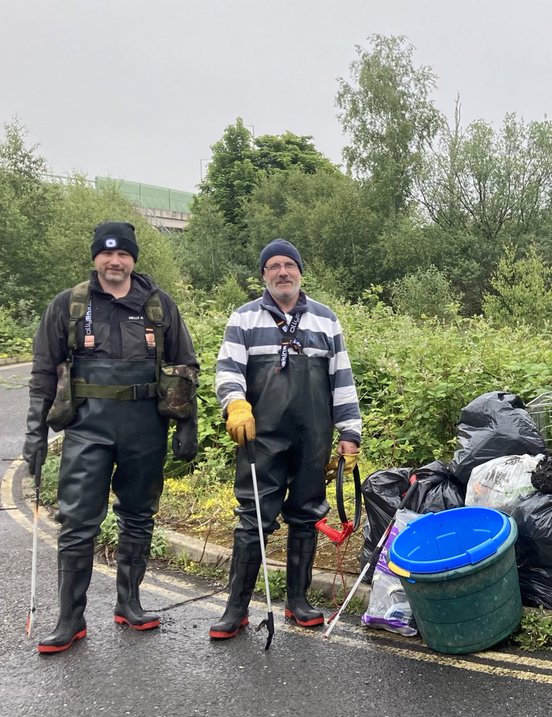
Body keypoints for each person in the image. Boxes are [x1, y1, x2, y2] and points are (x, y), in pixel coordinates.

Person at [23, 221, 199, 654]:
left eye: (122, 255)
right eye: (106, 254)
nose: (114, 261)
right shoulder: (69, 305)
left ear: (133, 259)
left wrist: (187, 426)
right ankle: (70, 619)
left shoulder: (159, 306)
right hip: (87, 429)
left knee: (138, 515)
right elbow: (43, 374)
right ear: (95, 257)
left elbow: (185, 366)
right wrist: (34, 435)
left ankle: (130, 604)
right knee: (78, 523)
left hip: (144, 428)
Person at [210, 239, 362, 639]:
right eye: (273, 266)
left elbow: (342, 380)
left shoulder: (326, 321)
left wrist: (350, 433)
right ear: (263, 275)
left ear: (300, 272)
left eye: (289, 265)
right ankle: (235, 609)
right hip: (260, 437)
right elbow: (227, 371)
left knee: (307, 515)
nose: (282, 272)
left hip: (313, 438)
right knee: (253, 520)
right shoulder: (243, 319)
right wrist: (235, 405)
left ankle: (298, 601)